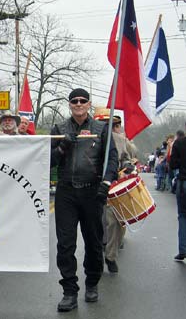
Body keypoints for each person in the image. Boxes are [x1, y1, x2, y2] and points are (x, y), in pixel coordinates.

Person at [50, 88, 118, 312]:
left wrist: (105, 184)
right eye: (74, 101)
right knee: (65, 244)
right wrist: (62, 146)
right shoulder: (59, 128)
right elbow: (48, 162)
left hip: (92, 192)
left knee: (93, 241)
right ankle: (69, 291)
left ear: (89, 104)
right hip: (66, 192)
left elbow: (112, 160)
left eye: (83, 101)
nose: (78, 104)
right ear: (69, 104)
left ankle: (92, 283)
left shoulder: (102, 128)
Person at [94, 109, 136, 274]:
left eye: (111, 123)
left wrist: (127, 166)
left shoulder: (120, 140)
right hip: (92, 186)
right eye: (103, 123)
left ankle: (110, 256)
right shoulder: (89, 136)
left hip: (113, 186)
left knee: (116, 222)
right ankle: (96, 256)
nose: (108, 126)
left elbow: (126, 158)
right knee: (95, 223)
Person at [169, 132, 186, 262]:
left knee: (182, 216)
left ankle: (182, 249)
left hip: (183, 181)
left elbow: (173, 164)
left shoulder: (179, 143)